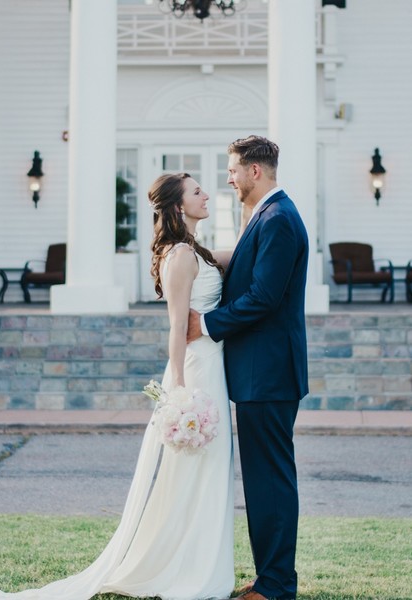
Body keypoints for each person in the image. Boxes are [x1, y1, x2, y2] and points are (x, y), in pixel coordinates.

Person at [0, 173, 236, 600]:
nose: (206, 195)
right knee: (194, 472)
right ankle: (187, 569)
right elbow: (176, 330)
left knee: (209, 472)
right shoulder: (178, 257)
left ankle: (200, 562)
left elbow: (236, 255)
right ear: (177, 206)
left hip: (214, 365)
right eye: (196, 192)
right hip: (197, 372)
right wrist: (181, 392)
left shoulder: (197, 251)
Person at [187, 135, 309, 600]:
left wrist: (206, 325)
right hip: (262, 371)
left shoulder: (277, 218)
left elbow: (263, 296)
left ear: (255, 171)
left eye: (233, 169)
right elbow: (247, 271)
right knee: (262, 479)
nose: (229, 178)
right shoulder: (267, 215)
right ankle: (268, 577)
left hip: (269, 372)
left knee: (270, 479)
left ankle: (276, 586)